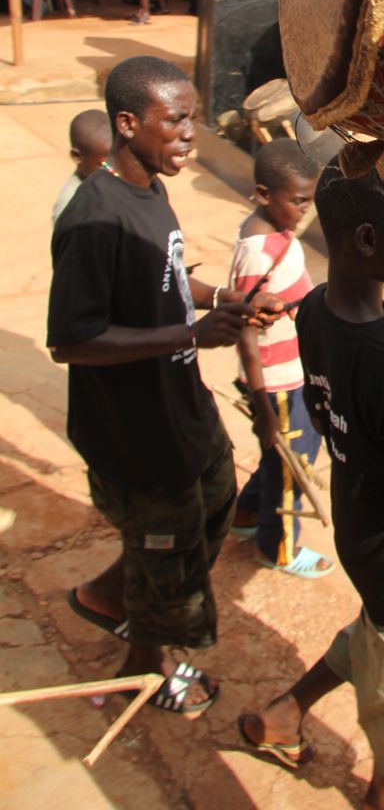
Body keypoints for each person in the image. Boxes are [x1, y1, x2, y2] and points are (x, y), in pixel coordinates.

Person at [48, 55, 280, 714]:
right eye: (175, 120)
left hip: (180, 408)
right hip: (134, 432)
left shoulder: (152, 186)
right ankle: (146, 668)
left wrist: (221, 297)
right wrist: (190, 336)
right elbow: (71, 339)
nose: (189, 134)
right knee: (168, 548)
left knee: (208, 509)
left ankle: (106, 595)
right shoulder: (95, 219)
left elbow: (167, 275)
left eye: (194, 120)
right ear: (128, 123)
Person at [239, 163, 384, 809]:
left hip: (364, 530)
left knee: (374, 636)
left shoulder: (315, 310)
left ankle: (284, 713)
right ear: (365, 241)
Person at [228, 138, 334, 578]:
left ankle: (248, 513)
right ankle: (279, 548)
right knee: (294, 468)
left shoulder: (273, 230)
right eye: (298, 201)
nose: (305, 209)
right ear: (263, 195)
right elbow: (246, 334)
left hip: (285, 374)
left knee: (279, 459)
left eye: (309, 199)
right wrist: (263, 408)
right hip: (277, 381)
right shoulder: (259, 255)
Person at [51, 108, 112, 227]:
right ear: (77, 156)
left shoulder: (112, 181)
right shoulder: (70, 206)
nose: (112, 169)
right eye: (103, 164)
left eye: (116, 161)